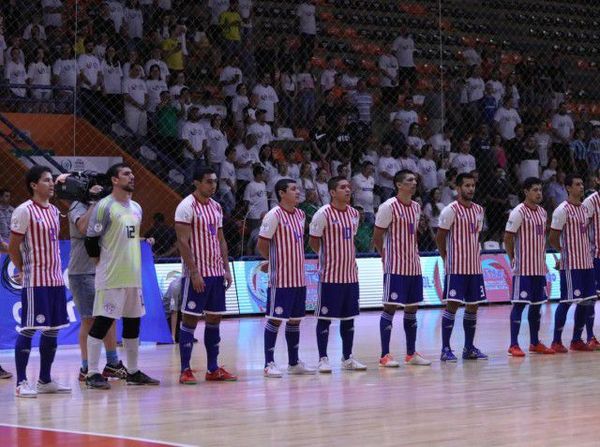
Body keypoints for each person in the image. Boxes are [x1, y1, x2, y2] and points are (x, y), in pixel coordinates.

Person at [84, 163, 160, 389]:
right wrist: (101, 263)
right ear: (114, 180)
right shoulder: (104, 206)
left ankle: (133, 371)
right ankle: (92, 373)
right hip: (111, 276)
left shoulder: (136, 207)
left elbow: (127, 238)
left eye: (132, 173)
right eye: (126, 174)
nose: (132, 176)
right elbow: (90, 240)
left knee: (133, 323)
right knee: (103, 323)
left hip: (132, 277)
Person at [8, 166, 70, 397]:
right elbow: (14, 248)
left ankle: (45, 380)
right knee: (29, 328)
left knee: (53, 330)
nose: (52, 184)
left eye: (52, 180)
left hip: (55, 279)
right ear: (34, 185)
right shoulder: (24, 211)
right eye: (46, 180)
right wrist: (23, 269)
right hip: (36, 280)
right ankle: (22, 382)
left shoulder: (54, 211)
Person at [174, 167, 237, 384]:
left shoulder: (216, 207)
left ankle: (212, 368)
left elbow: (220, 240)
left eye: (215, 182)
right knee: (190, 319)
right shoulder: (186, 207)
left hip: (216, 274)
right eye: (208, 181)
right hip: (197, 274)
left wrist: (226, 269)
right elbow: (182, 242)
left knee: (214, 319)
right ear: (196, 183)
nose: (213, 185)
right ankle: (185, 369)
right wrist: (194, 273)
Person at [257, 179, 316, 378]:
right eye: (293, 189)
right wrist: (273, 262)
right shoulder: (274, 215)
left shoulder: (300, 214)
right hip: (281, 279)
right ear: (282, 193)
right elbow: (262, 245)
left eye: (298, 188)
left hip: (298, 277)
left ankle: (293, 362)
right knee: (275, 320)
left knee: (295, 321)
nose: (298, 192)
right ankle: (269, 363)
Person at [373, 170, 432, 367]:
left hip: (413, 265)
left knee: (412, 308)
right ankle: (384, 355)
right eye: (409, 180)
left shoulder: (416, 207)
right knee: (390, 307)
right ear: (398, 185)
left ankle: (410, 353)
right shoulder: (388, 207)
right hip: (395, 266)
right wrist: (385, 256)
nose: (414, 183)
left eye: (415, 180)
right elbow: (377, 236)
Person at [309, 177, 367, 373]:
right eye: (343, 188)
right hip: (330, 276)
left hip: (350, 275)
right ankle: (323, 358)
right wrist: (328, 258)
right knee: (325, 318)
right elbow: (314, 242)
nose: (348, 190)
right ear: (332, 192)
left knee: (349, 317)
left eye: (349, 187)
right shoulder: (322, 214)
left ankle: (347, 357)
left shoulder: (353, 214)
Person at [68, 195, 127, 383]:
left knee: (109, 316)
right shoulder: (77, 204)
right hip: (82, 272)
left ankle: (112, 363)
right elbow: (84, 228)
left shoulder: (108, 207)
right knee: (90, 320)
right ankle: (86, 368)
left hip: (104, 270)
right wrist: (93, 203)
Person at [435, 172, 488, 362]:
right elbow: (440, 237)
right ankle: (445, 349)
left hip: (474, 267)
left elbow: (477, 235)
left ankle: (469, 348)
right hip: (456, 267)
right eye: (466, 185)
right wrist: (446, 258)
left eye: (472, 185)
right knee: (452, 306)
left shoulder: (479, 210)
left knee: (473, 307)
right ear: (458, 188)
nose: (470, 189)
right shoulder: (451, 210)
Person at [504, 178, 555, 356]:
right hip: (523, 269)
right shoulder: (518, 212)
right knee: (519, 305)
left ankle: (534, 342)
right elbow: (508, 238)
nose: (539, 193)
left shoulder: (542, 212)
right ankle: (513, 344)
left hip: (539, 268)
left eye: (540, 190)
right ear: (526, 192)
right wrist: (512, 258)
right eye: (535, 190)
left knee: (537, 305)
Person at [548, 174, 596, 353]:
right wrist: (564, 253)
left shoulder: (584, 210)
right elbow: (552, 237)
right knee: (567, 301)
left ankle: (576, 339)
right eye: (577, 184)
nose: (581, 187)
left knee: (587, 302)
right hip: (572, 265)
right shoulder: (562, 210)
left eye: (582, 183)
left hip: (587, 263)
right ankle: (556, 341)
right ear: (568, 188)